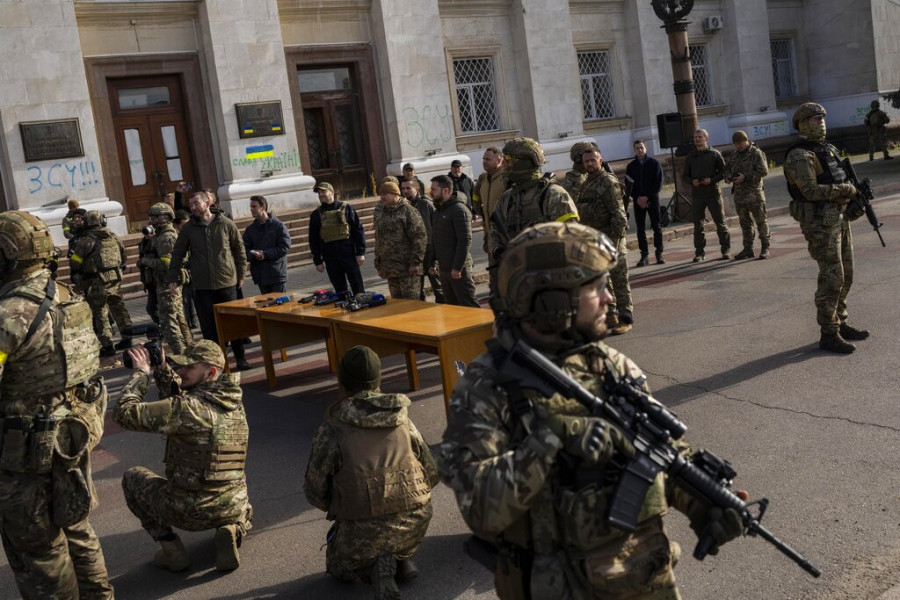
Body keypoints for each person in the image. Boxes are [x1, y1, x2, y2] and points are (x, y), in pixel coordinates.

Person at [437, 221, 745, 600]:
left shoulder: (611, 365)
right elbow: (482, 510)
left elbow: (657, 453)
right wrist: (552, 439)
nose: (610, 299)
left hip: (646, 579)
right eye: (597, 288)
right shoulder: (487, 388)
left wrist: (702, 501)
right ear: (551, 302)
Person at [0, 211, 115, 599]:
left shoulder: (8, 314)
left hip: (23, 454)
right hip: (71, 438)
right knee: (77, 527)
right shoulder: (69, 297)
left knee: (38, 548)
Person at [304, 345, 439, 599]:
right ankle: (402, 556)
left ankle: (373, 567)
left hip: (359, 531)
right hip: (414, 522)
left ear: (342, 382)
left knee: (339, 567)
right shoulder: (402, 420)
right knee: (395, 530)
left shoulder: (332, 427)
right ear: (378, 379)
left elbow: (314, 491)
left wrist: (341, 503)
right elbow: (432, 473)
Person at [115, 339, 253, 573]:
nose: (181, 371)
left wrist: (141, 374)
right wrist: (160, 366)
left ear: (209, 372)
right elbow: (182, 396)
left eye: (189, 367)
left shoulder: (186, 410)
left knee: (132, 477)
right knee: (237, 496)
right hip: (233, 505)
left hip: (188, 511)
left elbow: (124, 413)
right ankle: (233, 528)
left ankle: (172, 551)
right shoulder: (234, 402)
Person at [784, 102, 869, 354]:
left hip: (838, 219)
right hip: (820, 223)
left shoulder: (827, 149)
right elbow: (809, 190)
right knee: (832, 277)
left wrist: (856, 199)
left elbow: (840, 178)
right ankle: (828, 333)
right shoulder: (800, 155)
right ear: (801, 124)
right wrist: (845, 191)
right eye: (814, 119)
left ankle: (840, 322)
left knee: (847, 274)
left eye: (822, 118)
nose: (820, 122)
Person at [168, 190, 251, 371]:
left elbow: (239, 250)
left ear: (207, 203)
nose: (193, 208)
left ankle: (240, 358)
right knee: (209, 328)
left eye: (196, 203)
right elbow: (178, 253)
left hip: (227, 283)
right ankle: (218, 364)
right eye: (191, 205)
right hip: (203, 286)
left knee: (233, 324)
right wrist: (173, 277)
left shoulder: (226, 223)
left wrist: (241, 274)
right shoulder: (189, 229)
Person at [488, 137, 579, 264]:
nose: (503, 164)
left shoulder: (553, 194)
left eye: (508, 159)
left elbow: (570, 237)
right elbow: (494, 231)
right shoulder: (507, 197)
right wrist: (497, 250)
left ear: (525, 162)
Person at [578, 146, 633, 335]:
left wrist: (614, 244)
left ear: (600, 160)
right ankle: (610, 317)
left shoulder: (607, 182)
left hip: (611, 240)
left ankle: (625, 318)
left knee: (619, 281)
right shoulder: (587, 182)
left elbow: (618, 215)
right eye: (586, 161)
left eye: (593, 160)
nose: (590, 164)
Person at [70, 209, 133, 356]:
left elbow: (75, 263)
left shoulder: (86, 241)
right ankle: (128, 337)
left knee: (100, 312)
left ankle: (107, 345)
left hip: (96, 280)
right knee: (119, 307)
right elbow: (123, 257)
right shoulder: (113, 237)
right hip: (115, 279)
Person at [140, 203, 193, 354]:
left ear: (166, 217)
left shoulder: (166, 237)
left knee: (169, 322)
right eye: (151, 217)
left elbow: (166, 263)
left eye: (156, 217)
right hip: (167, 282)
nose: (152, 220)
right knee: (179, 318)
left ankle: (180, 354)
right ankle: (189, 351)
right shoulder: (161, 235)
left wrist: (145, 261)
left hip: (167, 283)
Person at [309, 181, 367, 296]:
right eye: (319, 193)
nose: (321, 195)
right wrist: (318, 261)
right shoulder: (316, 214)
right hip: (331, 258)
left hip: (348, 254)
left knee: (358, 289)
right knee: (340, 292)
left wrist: (360, 252)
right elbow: (313, 239)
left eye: (323, 192)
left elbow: (357, 230)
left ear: (332, 192)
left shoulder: (346, 208)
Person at [428, 175, 479, 307]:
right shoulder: (438, 211)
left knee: (469, 307)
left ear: (445, 191)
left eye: (434, 189)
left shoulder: (459, 210)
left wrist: (457, 267)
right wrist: (432, 261)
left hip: (459, 270)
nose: (430, 192)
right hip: (444, 269)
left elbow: (465, 240)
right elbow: (436, 238)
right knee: (452, 309)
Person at [374, 181, 427, 300]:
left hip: (407, 269)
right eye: (381, 194)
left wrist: (415, 262)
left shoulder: (408, 211)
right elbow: (379, 239)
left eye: (385, 194)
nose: (382, 197)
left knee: (411, 305)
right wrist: (378, 263)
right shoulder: (382, 213)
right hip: (390, 269)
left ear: (395, 194)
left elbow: (419, 237)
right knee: (398, 305)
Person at [683, 129, 731, 262]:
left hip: (713, 193)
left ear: (706, 138)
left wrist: (712, 180)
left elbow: (723, 172)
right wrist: (692, 181)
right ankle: (699, 252)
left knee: (720, 222)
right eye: (695, 137)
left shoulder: (714, 154)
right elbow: (685, 176)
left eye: (699, 137)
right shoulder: (690, 156)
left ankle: (726, 249)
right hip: (697, 194)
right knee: (698, 225)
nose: (697, 139)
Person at [725, 131, 771, 260]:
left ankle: (765, 247)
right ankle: (748, 249)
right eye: (736, 143)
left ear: (746, 140)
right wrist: (728, 177)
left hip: (754, 194)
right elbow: (727, 168)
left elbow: (764, 171)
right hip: (739, 195)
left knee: (761, 221)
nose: (738, 146)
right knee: (745, 223)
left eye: (740, 142)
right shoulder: (734, 155)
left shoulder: (756, 153)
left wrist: (745, 177)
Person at [401, 179, 444, 303]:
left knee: (438, 287)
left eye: (408, 188)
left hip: (430, 250)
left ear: (417, 189)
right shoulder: (403, 207)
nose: (405, 191)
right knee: (416, 290)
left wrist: (436, 251)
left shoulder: (426, 204)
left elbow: (436, 226)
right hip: (413, 253)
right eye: (403, 189)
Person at [625, 140, 665, 266]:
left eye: (641, 147)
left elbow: (658, 182)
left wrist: (647, 197)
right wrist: (637, 198)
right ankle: (644, 255)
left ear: (645, 148)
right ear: (634, 150)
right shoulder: (631, 166)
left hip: (652, 199)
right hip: (638, 202)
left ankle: (659, 253)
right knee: (640, 229)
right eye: (637, 148)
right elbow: (628, 184)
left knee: (657, 227)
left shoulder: (654, 163)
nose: (640, 150)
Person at [242, 195, 292, 294]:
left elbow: (285, 246)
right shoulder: (250, 230)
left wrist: (265, 254)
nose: (251, 209)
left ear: (263, 207)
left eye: (254, 207)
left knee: (279, 306)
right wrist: (253, 254)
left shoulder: (278, 226)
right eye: (250, 207)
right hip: (261, 276)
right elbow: (244, 250)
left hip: (277, 274)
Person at [173, 209, 198, 329]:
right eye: (184, 224)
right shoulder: (175, 236)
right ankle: (190, 321)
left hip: (193, 270)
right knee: (185, 300)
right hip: (182, 272)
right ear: (177, 225)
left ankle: (193, 320)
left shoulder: (191, 233)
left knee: (194, 297)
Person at [137, 219, 160, 324]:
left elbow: (161, 261)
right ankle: (162, 329)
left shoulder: (159, 241)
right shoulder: (143, 243)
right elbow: (141, 260)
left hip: (160, 281)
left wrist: (144, 261)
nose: (148, 233)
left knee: (154, 309)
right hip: (150, 282)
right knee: (151, 309)